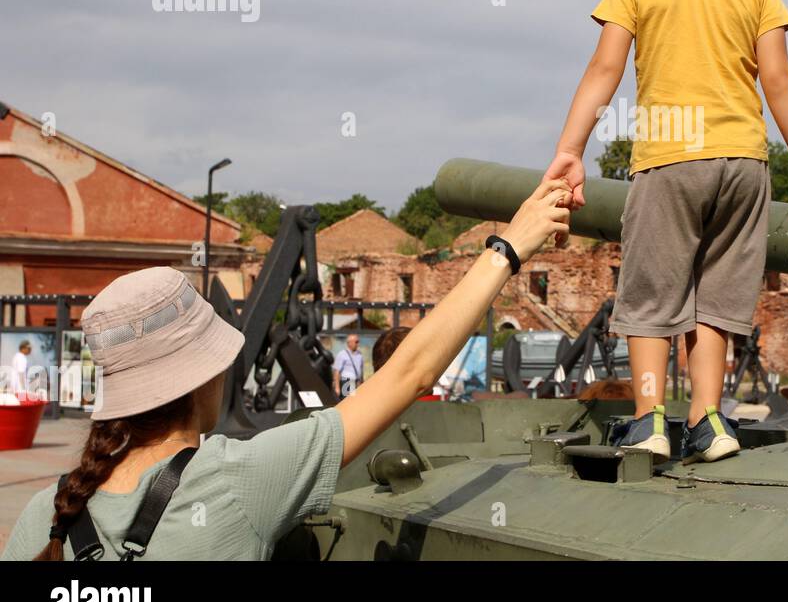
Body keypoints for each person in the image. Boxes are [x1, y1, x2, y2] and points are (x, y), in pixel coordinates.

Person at [0, 179, 570, 561]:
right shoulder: (235, 479)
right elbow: (411, 373)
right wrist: (510, 245)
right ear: (204, 376)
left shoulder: (42, 516)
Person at [544, 0, 788, 465]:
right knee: (716, 300)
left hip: (671, 158)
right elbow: (778, 77)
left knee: (649, 296)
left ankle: (648, 420)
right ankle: (709, 419)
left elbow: (604, 70)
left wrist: (571, 149)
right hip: (746, 163)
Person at [332, 333, 365, 398]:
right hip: (346, 381)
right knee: (347, 401)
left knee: (355, 401)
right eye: (356, 342)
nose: (358, 344)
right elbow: (337, 372)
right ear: (349, 343)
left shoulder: (359, 355)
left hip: (356, 382)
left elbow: (361, 370)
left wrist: (361, 382)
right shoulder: (342, 354)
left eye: (358, 342)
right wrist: (337, 387)